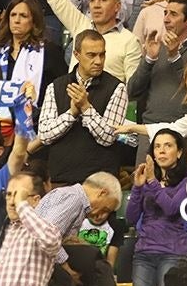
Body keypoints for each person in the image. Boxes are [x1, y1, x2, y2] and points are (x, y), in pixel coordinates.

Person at [36, 30, 127, 185]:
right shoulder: (56, 86)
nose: (98, 61)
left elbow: (109, 137)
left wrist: (86, 108)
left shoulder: (117, 88)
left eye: (102, 55)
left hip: (99, 183)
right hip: (61, 179)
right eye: (91, 55)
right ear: (77, 55)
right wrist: (71, 114)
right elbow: (44, 134)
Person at [126, 129, 187, 286]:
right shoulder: (147, 180)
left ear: (180, 152)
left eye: (168, 146)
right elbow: (130, 217)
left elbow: (172, 208)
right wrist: (137, 188)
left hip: (173, 254)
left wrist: (152, 182)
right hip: (144, 253)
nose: (161, 151)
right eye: (157, 146)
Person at [44, 0, 141, 82]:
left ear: (117, 7)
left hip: (110, 101)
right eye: (92, 0)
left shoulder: (129, 41)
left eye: (103, 0)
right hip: (73, 99)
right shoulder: (81, 25)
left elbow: (132, 89)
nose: (96, 5)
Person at [127, 0, 187, 124]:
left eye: (173, 14)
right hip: (150, 126)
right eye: (165, 13)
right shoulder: (157, 47)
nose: (166, 19)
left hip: (184, 129)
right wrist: (149, 59)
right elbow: (132, 91)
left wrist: (175, 57)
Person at [0, 0, 67, 106]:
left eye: (23, 16)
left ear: (34, 21)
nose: (16, 20)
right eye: (13, 15)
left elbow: (61, 87)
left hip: (36, 117)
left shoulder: (49, 51)